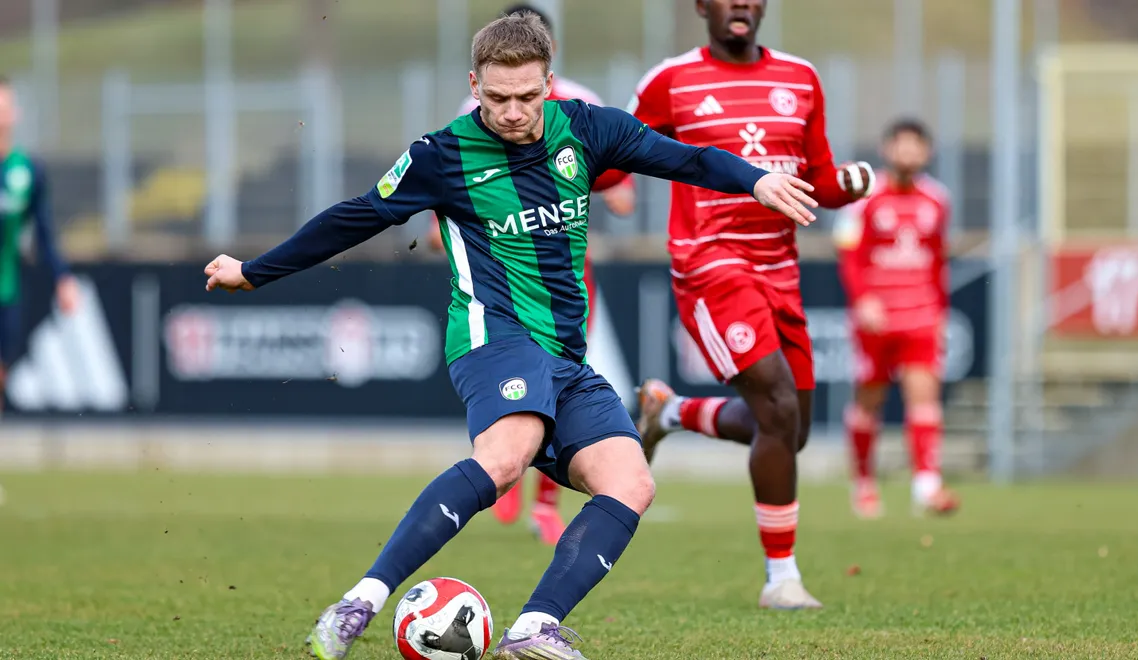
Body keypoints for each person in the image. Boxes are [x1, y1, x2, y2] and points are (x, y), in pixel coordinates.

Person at [203, 11, 821, 659]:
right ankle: (359, 602)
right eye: (497, 98)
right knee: (506, 457)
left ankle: (532, 630)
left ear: (549, 83)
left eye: (528, 96)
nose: (513, 112)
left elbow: (683, 157)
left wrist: (756, 179)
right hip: (491, 335)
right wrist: (254, 271)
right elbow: (355, 216)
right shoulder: (441, 155)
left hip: (566, 356)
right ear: (475, 85)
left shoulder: (587, 129)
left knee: (631, 482)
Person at [628, 0, 875, 611]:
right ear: (702, 6)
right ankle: (780, 578)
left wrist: (847, 184)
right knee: (778, 407)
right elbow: (616, 151)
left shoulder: (801, 77)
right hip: (710, 264)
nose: (739, 1)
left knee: (792, 430)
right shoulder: (670, 81)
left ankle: (671, 411)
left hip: (780, 271)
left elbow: (815, 179)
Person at [423, 3, 636, 547]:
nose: (512, 109)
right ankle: (509, 472)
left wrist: (587, 183)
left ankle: (543, 502)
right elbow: (452, 172)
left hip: (567, 274)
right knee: (517, 381)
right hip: (503, 276)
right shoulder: (475, 111)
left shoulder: (582, 105)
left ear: (548, 54)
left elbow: (622, 189)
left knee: (568, 379)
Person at [833, 118, 960, 519]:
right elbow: (850, 255)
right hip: (877, 318)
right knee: (869, 400)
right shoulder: (864, 197)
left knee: (924, 396)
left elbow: (938, 259)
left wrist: (941, 311)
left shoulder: (937, 199)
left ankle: (926, 487)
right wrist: (863, 300)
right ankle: (863, 483)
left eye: (915, 146)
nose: (908, 152)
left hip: (921, 313)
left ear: (927, 152)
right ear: (886, 150)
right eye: (901, 145)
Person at [0, 76, 79, 414]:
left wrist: (63, 278)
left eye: (4, 106)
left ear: (15, 113)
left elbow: (44, 233)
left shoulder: (27, 171)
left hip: (6, 290)